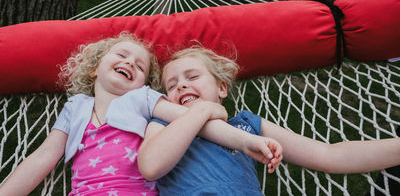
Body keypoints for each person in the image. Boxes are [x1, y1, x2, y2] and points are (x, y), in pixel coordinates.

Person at [0, 33, 281, 196]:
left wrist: (244, 141)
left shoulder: (144, 99)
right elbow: (43, 157)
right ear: (94, 68)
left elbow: (195, 123)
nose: (129, 63)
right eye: (121, 55)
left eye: (140, 66)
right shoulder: (76, 107)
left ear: (143, 83)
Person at [138, 46, 400, 195]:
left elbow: (329, 155)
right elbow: (150, 167)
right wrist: (201, 112)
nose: (181, 86)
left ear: (222, 88)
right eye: (171, 85)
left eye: (192, 77)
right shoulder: (162, 125)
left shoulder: (246, 125)